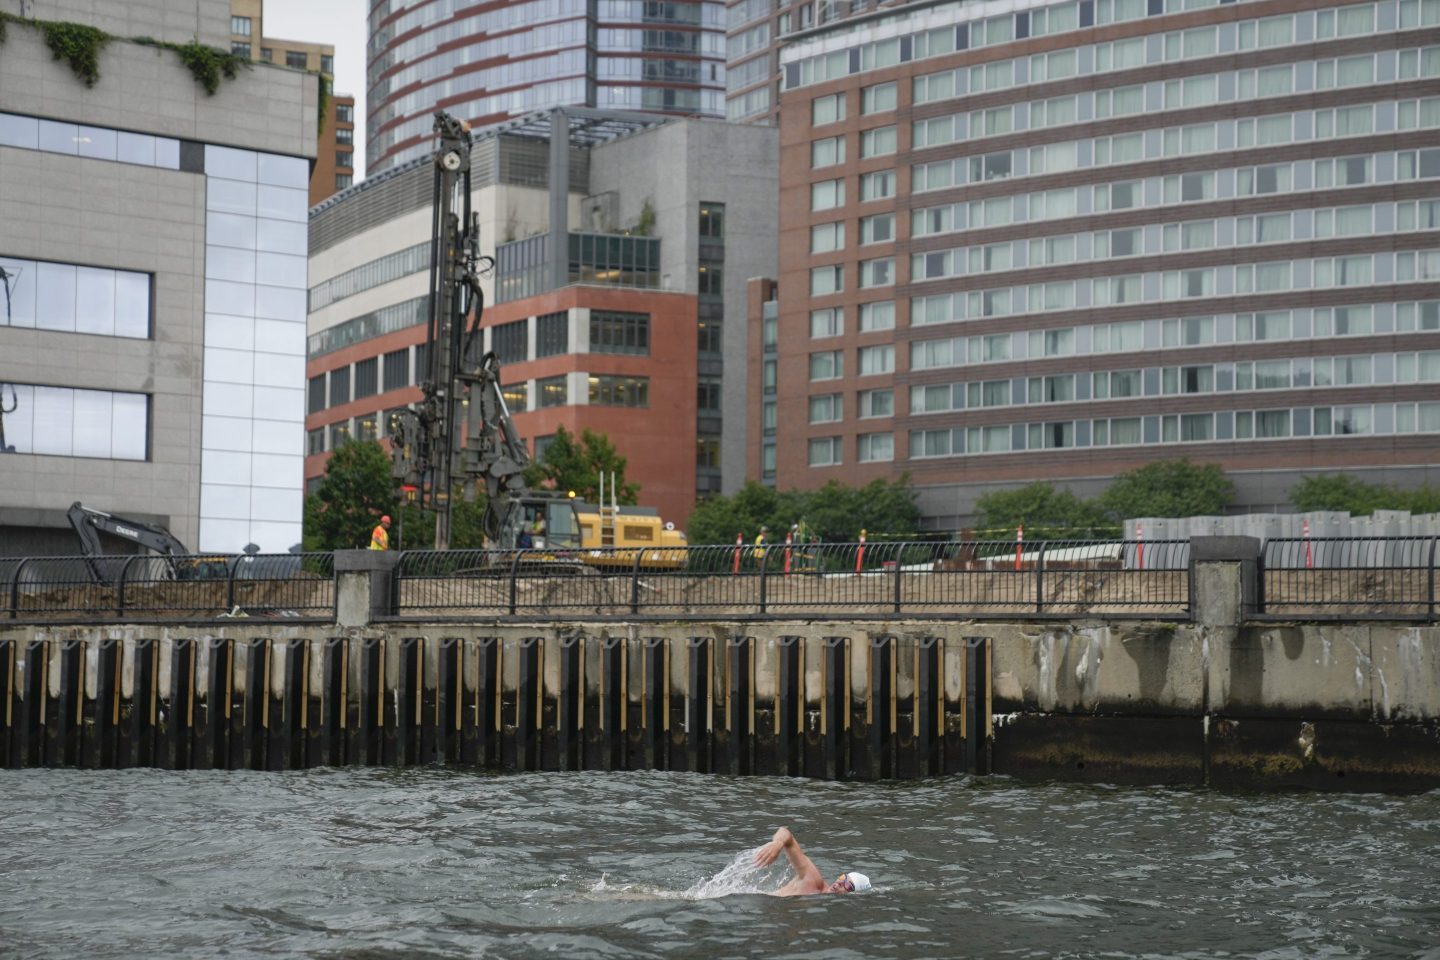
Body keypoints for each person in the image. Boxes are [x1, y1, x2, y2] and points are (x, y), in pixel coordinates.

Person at [752, 827, 871, 896]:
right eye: (842, 878)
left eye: (848, 885)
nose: (840, 883)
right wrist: (778, 844)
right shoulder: (814, 882)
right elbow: (785, 833)